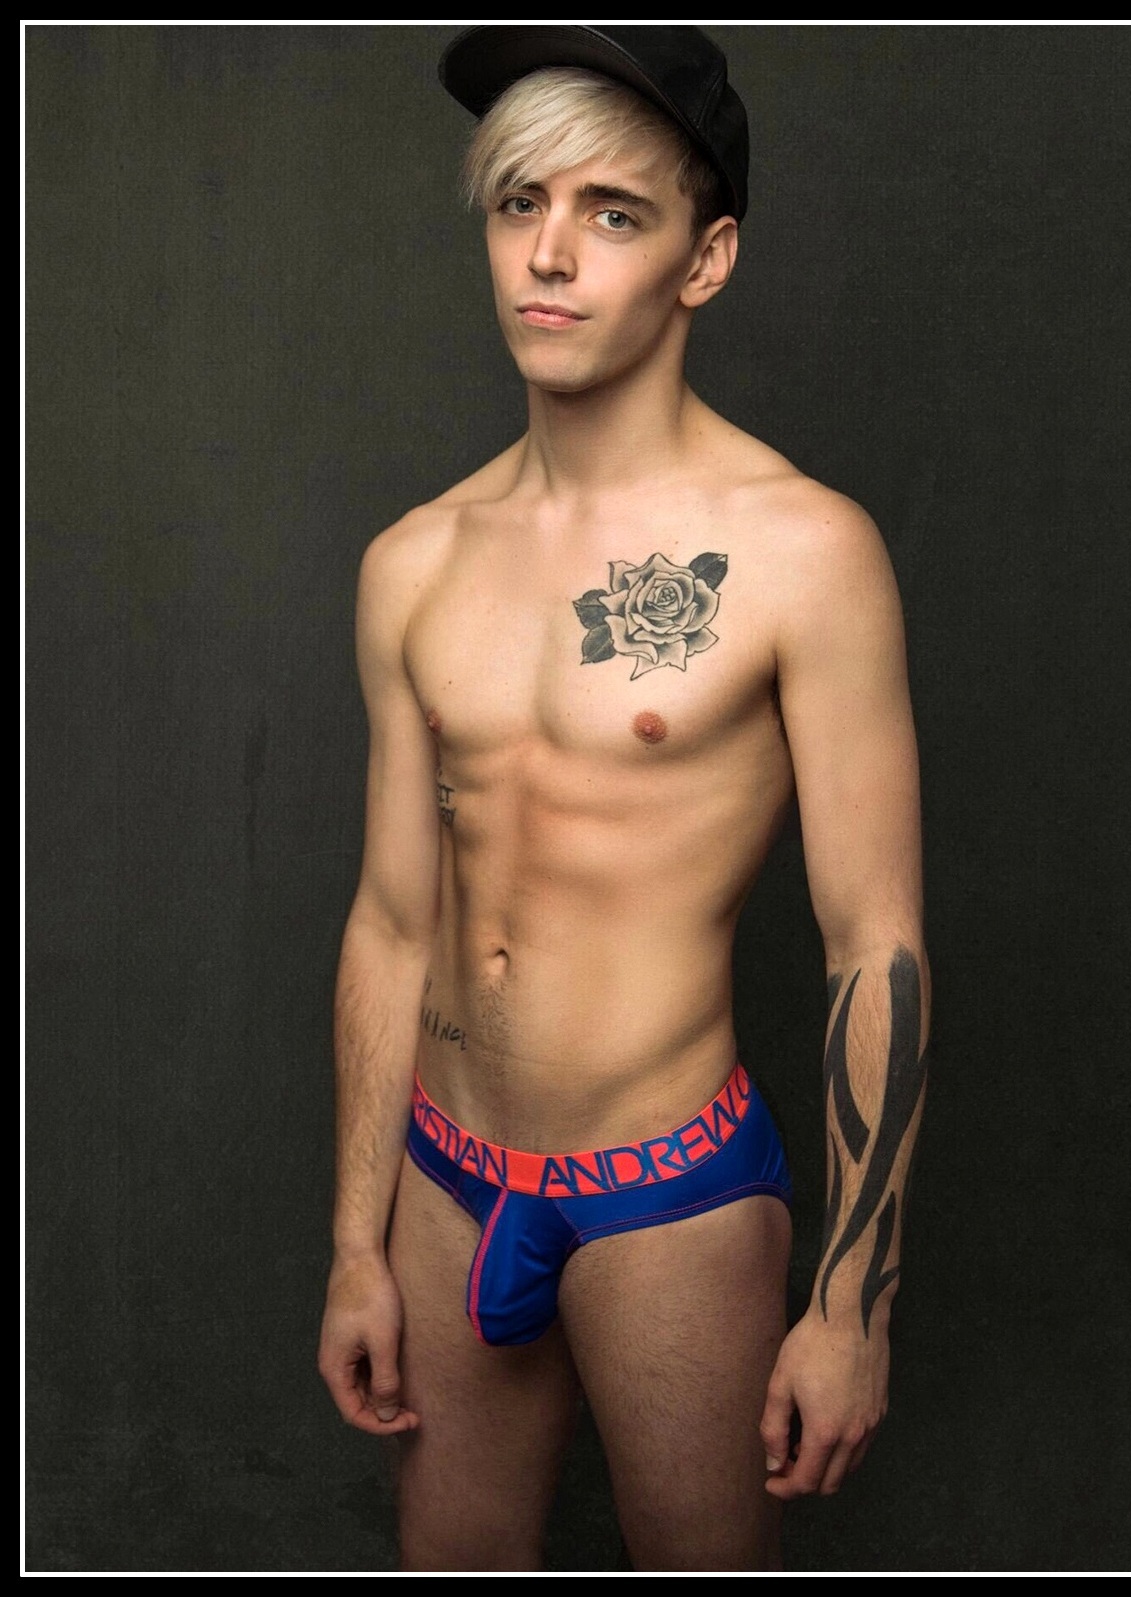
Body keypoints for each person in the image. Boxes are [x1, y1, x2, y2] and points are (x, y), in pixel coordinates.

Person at [317, 24, 930, 1573]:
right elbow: (391, 919)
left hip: (670, 1192)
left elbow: (874, 943)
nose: (551, 253)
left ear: (702, 259)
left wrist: (852, 1301)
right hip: (449, 1178)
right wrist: (353, 1242)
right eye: (520, 202)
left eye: (613, 212)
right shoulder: (413, 562)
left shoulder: (805, 553)